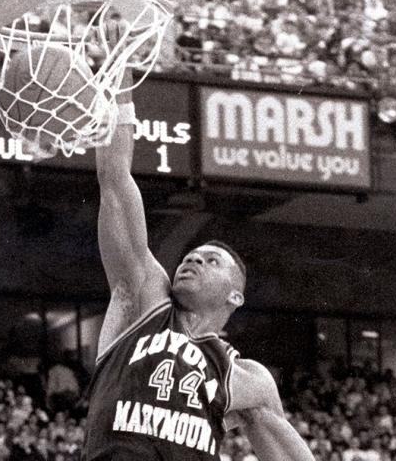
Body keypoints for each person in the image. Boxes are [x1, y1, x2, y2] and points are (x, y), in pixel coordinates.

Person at [81, 28, 313, 460]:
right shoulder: (143, 299)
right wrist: (117, 74)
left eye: (211, 260)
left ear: (235, 295)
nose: (193, 260)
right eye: (191, 256)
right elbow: (114, 178)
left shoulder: (245, 378)